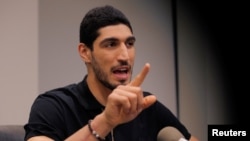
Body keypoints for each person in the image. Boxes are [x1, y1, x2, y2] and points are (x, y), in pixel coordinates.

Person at [24, 5, 199, 141]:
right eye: (111, 44)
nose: (125, 56)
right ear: (85, 52)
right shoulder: (53, 106)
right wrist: (106, 121)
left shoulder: (146, 107)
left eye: (129, 44)